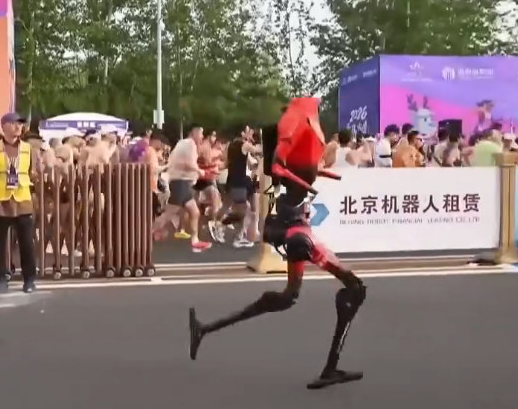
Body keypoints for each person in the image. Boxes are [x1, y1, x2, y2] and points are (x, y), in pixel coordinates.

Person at [188, 98, 366, 390]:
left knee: (288, 296)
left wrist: (317, 175)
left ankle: (205, 329)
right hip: (297, 232)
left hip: (291, 226)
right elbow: (279, 168)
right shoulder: (293, 130)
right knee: (355, 288)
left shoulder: (297, 140)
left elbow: (288, 170)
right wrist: (309, 184)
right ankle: (331, 368)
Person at [0, 112, 38, 293]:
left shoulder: (28, 149)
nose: (18, 127)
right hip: (0, 202)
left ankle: (29, 279)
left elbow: (33, 172)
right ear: (4, 126)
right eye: (14, 123)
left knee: (27, 243)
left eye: (20, 124)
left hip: (22, 200)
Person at [152, 125, 211, 252]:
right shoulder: (190, 144)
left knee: (194, 212)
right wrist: (199, 171)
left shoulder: (182, 143)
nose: (202, 137)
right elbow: (187, 163)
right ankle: (147, 233)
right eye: (201, 134)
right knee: (169, 213)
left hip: (182, 183)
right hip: (180, 183)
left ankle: (195, 240)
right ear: (194, 133)